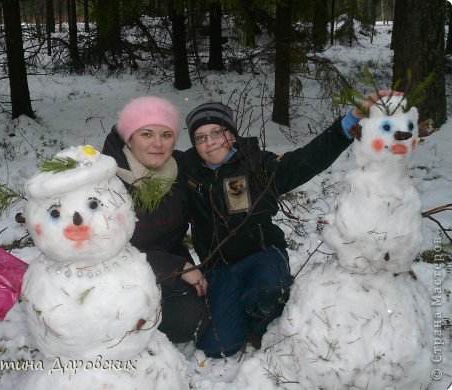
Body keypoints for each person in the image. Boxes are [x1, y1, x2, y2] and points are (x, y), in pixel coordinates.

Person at [181, 91, 400, 358]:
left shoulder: (257, 166)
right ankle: (236, 304)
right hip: (218, 268)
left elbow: (306, 160)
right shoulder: (187, 172)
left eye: (217, 132)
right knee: (218, 347)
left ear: (232, 134)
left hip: (261, 257)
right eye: (201, 138)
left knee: (266, 296)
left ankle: (262, 319)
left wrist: (348, 122)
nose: (210, 142)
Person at [101, 96, 209, 344]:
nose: (157, 144)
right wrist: (177, 267)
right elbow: (102, 252)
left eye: (166, 134)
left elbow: (219, 155)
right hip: (115, 273)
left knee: (194, 321)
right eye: (146, 134)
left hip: (167, 266)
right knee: (124, 321)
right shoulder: (105, 182)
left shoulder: (179, 168)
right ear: (129, 138)